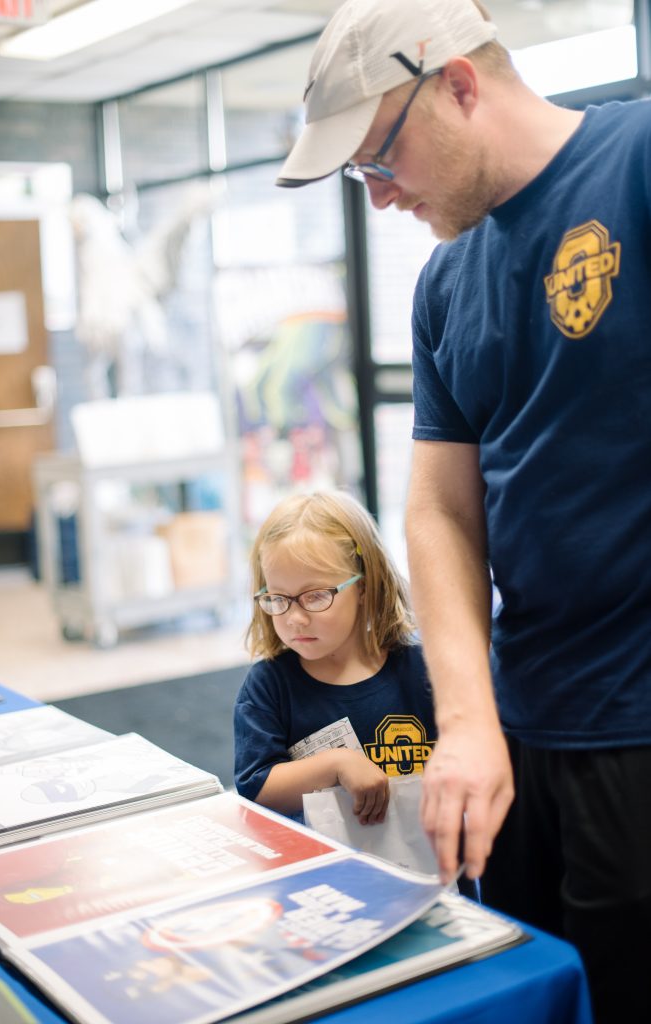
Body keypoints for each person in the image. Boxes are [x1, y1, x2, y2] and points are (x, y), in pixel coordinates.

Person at [274, 1, 651, 1021]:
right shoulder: (447, 280)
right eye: (362, 179)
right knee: (533, 984)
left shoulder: (637, 161)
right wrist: (470, 721)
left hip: (638, 725)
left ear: (460, 85)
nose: (382, 198)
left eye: (381, 161)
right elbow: (440, 509)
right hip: (520, 725)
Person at [233, 490, 437, 829]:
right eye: (278, 598)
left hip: (438, 870)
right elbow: (256, 788)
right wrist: (335, 765)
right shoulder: (268, 686)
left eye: (315, 596)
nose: (295, 618)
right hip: (324, 873)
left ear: (364, 587)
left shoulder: (422, 671)